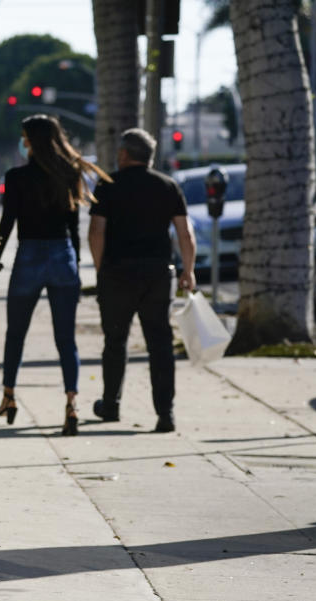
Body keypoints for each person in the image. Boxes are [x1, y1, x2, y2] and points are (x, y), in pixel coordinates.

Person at [0, 114, 111, 435]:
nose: (22, 140)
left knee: (16, 333)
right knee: (65, 338)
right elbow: (73, 227)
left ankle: (9, 396)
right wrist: (76, 262)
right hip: (61, 256)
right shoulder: (67, 173)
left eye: (24, 136)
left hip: (29, 255)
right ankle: (71, 404)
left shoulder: (16, 177)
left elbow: (7, 223)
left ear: (31, 140)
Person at [87, 128, 197, 433]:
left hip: (117, 273)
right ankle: (165, 412)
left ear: (123, 154)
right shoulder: (168, 186)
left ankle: (110, 405)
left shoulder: (107, 185)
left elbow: (96, 231)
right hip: (157, 274)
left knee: (115, 342)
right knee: (160, 343)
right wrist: (188, 270)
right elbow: (185, 234)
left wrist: (100, 269)